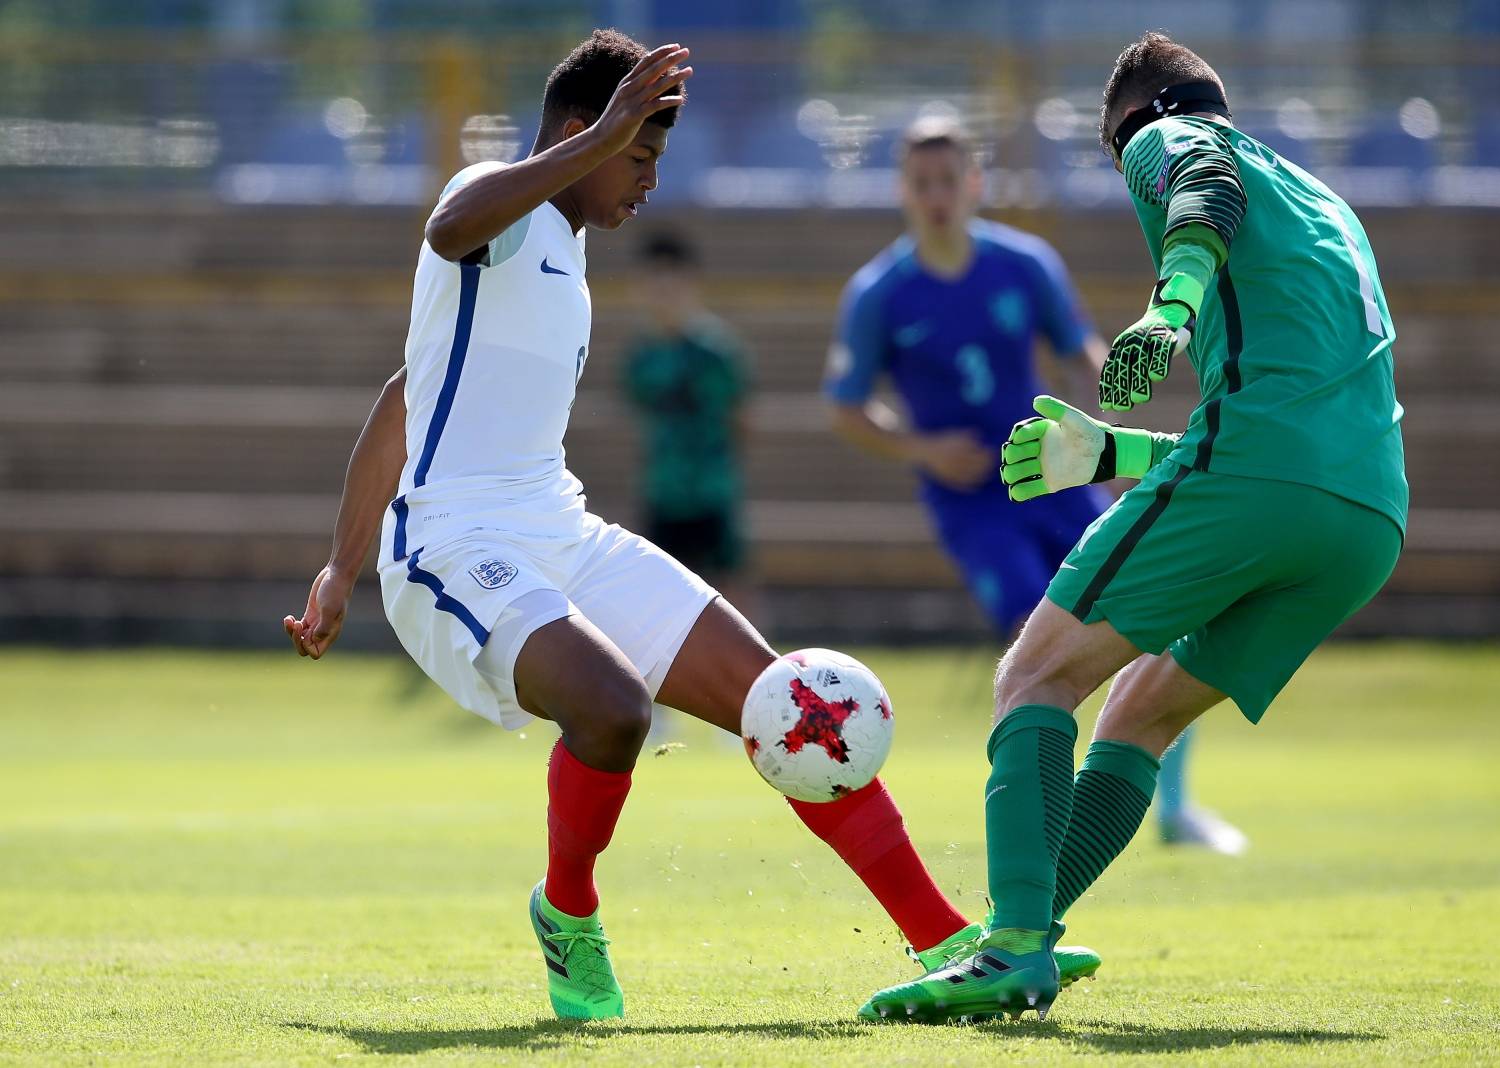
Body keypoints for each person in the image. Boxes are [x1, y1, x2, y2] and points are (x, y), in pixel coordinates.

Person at [280, 29, 1090, 1023]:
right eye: (642, 155)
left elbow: (409, 390)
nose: (649, 180)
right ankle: (566, 911)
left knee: (790, 704)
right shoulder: (498, 195)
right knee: (614, 709)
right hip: (451, 545)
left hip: (558, 528)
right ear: (585, 130)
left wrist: (331, 565)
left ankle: (948, 941)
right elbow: (448, 226)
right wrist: (350, 566)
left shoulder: (564, 249)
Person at [861, 32, 1407, 1023]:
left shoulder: (1168, 135)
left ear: (1129, 125)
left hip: (1262, 482)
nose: (1128, 180)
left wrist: (1166, 311)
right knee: (1137, 714)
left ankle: (1011, 949)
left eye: (1116, 162)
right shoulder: (1321, 202)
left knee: (1033, 676)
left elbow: (1196, 182)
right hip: (1367, 515)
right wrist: (1111, 455)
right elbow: (1271, 428)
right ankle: (1014, 936)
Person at [825, 118, 1244, 855]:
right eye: (921, 185)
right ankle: (1046, 820)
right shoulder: (879, 294)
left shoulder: (1025, 264)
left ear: (974, 184)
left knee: (1147, 611)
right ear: (902, 192)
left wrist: (1094, 408)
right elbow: (847, 407)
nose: (937, 198)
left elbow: (1074, 346)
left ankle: (1175, 809)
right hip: (974, 508)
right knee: (1039, 645)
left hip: (1053, 479)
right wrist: (922, 448)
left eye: (948, 181)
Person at [621, 232, 751, 608]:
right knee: (660, 591)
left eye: (671, 277)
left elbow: (740, 417)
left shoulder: (716, 351)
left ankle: (752, 664)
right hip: (663, 490)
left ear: (691, 282)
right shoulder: (641, 357)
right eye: (653, 278)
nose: (663, 289)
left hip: (711, 490)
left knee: (729, 585)